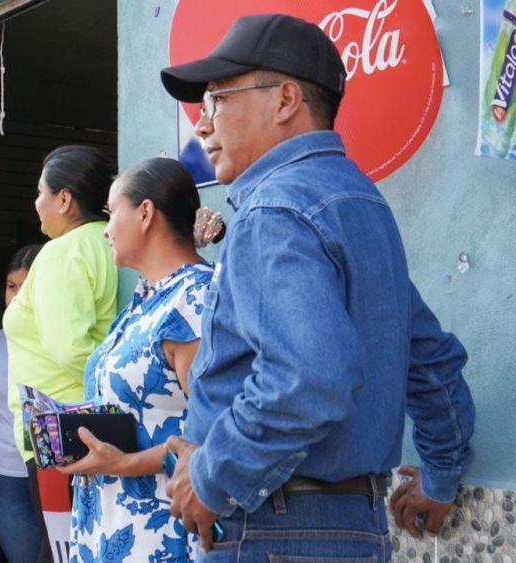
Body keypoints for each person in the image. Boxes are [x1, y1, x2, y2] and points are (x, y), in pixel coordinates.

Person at [158, 14, 476, 560]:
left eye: (215, 100)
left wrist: (211, 476)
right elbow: (429, 360)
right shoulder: (360, 206)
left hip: (274, 527)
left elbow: (308, 377)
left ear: (284, 100)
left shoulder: (274, 208)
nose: (202, 125)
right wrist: (441, 475)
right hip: (352, 528)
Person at [58, 158, 219, 562]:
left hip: (160, 532)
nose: (106, 229)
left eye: (112, 214)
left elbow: (213, 435)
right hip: (107, 524)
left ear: (145, 213)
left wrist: (126, 462)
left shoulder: (195, 298)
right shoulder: (147, 299)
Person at [4, 145, 119, 562]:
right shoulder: (109, 241)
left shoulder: (60, 253)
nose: (36, 204)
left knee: (62, 551)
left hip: (60, 430)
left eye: (40, 193)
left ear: (64, 199)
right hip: (93, 424)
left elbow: (69, 347)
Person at [0, 244, 44, 563]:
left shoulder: (64, 342)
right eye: (11, 287)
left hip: (54, 473)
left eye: (29, 287)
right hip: (5, 475)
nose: (18, 297)